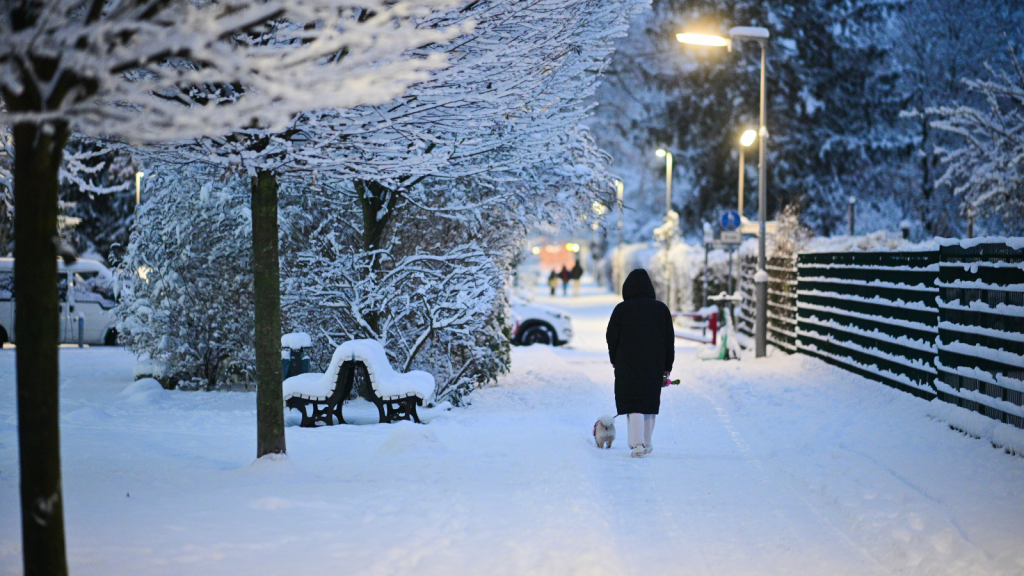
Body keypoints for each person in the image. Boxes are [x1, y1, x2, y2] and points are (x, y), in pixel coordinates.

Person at [605, 268, 675, 458]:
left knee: (633, 402)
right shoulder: (661, 309)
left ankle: (637, 444)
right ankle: (647, 441)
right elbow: (669, 340)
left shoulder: (621, 309)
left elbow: (611, 337)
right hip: (654, 362)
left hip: (627, 362)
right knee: (649, 401)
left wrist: (615, 359)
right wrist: (667, 366)